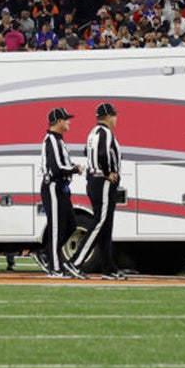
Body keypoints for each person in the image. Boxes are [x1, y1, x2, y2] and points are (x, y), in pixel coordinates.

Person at [70, 102, 125, 280]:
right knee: (100, 223)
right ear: (108, 116)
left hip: (94, 179)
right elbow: (102, 154)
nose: (116, 119)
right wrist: (109, 172)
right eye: (114, 115)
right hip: (102, 181)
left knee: (106, 226)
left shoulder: (92, 133)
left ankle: (108, 268)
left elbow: (88, 151)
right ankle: (75, 261)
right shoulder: (106, 133)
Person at [38, 107, 85, 279]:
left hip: (62, 187)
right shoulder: (51, 140)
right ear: (58, 122)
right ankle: (55, 268)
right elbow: (56, 168)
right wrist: (75, 168)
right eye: (66, 119)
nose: (68, 122)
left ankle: (46, 253)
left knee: (71, 224)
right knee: (57, 227)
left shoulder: (58, 140)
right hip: (53, 187)